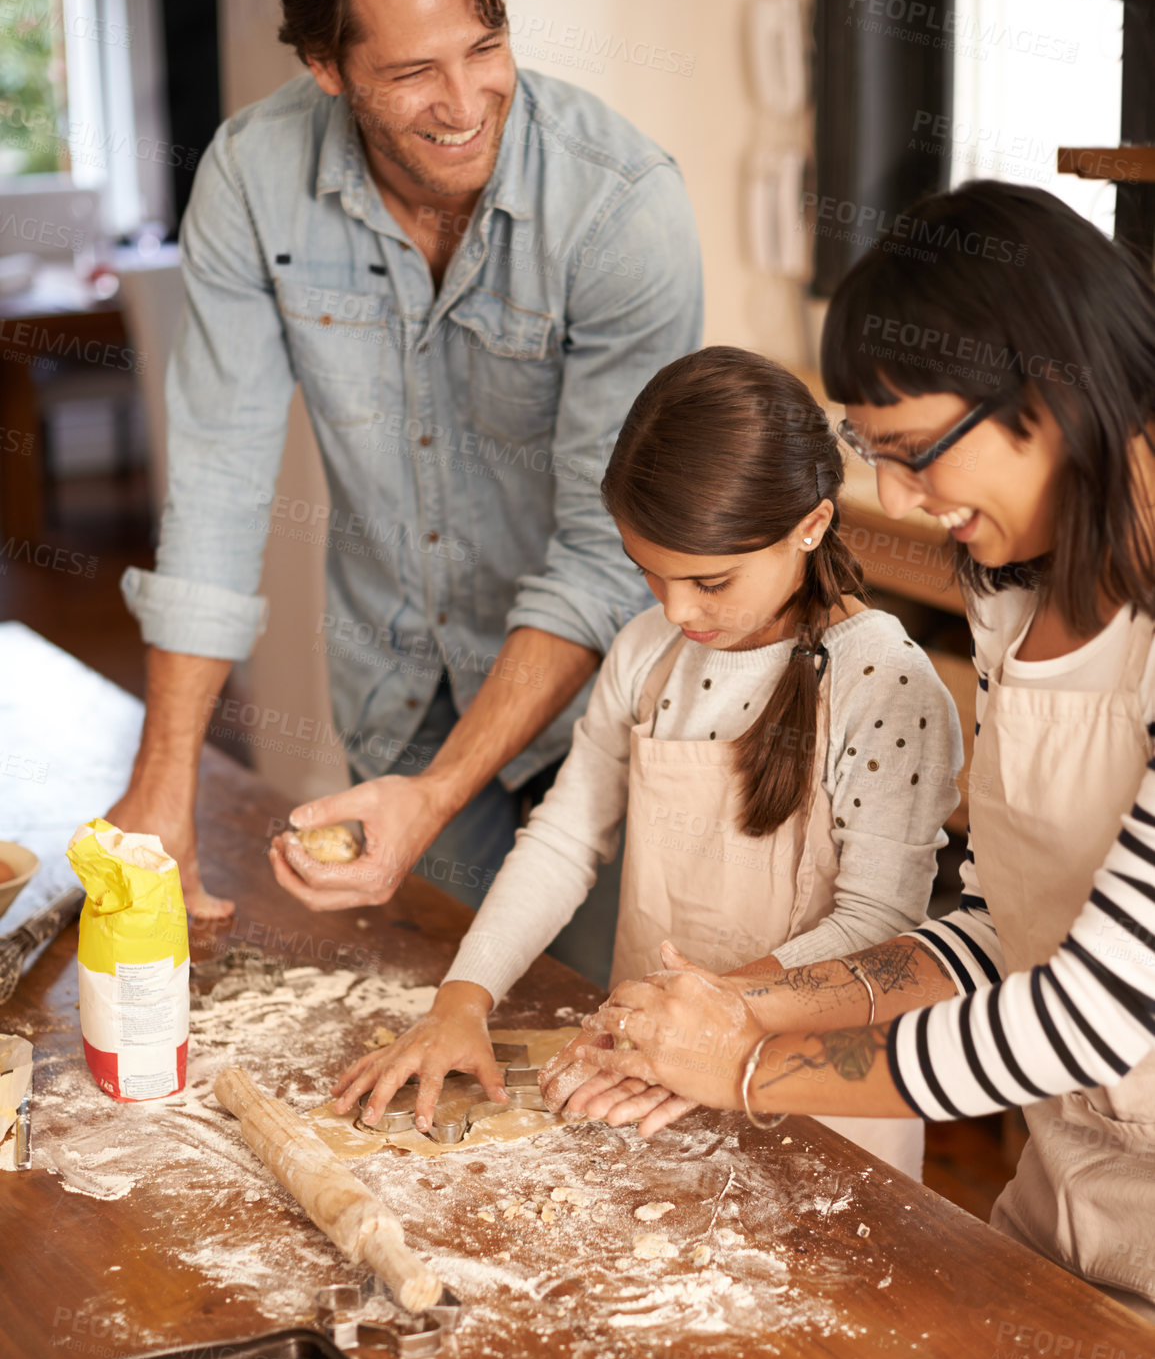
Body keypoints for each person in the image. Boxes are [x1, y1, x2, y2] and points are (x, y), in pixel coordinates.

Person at [554, 181, 1155, 1317]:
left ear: (1055, 389)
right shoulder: (1017, 595)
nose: (898, 497)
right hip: (1068, 1193)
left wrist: (745, 1071)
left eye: (916, 450)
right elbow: (998, 926)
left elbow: (1094, 1012)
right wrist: (744, 1004)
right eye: (874, 453)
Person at [109, 0, 701, 986]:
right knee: (446, 1036)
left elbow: (603, 553)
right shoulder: (250, 179)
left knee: (600, 1045)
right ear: (327, 70)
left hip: (618, 720)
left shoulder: (622, 209)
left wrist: (439, 797)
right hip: (401, 702)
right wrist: (167, 778)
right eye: (414, 71)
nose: (466, 100)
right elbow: (224, 484)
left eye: (484, 46)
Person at [331, 348, 963, 1178]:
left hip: (821, 1103)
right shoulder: (648, 651)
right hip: (648, 1089)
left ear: (809, 524)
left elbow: (877, 929)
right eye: (649, 574)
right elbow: (563, 837)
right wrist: (464, 996)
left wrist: (706, 1017)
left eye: (709, 580)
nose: (675, 609)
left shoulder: (883, 683)